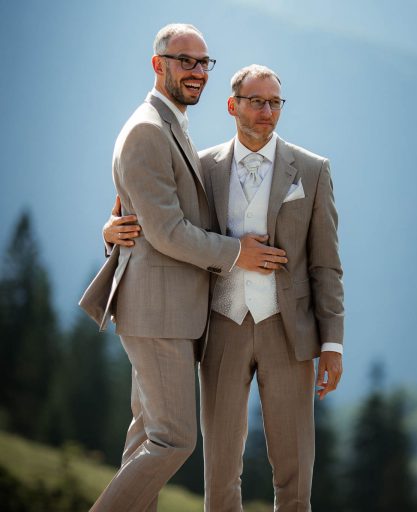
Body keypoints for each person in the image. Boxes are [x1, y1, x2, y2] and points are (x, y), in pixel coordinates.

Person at [104, 64, 345, 511]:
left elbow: (326, 265)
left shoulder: (313, 171)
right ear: (233, 106)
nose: (267, 112)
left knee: (295, 474)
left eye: (275, 103)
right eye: (256, 102)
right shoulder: (203, 168)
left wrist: (332, 343)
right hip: (220, 327)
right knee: (219, 472)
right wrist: (111, 230)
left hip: (289, 332)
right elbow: (160, 223)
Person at [79, 25, 284, 512]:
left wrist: (111, 229)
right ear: (158, 64)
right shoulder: (147, 130)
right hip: (157, 314)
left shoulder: (170, 124)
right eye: (184, 60)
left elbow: (142, 215)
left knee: (146, 438)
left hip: (169, 311)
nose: (197, 71)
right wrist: (237, 253)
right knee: (174, 440)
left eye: (203, 62)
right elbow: (167, 231)